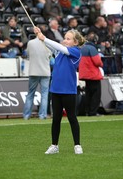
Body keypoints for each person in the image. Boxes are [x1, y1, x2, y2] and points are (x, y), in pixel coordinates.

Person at [33, 26, 85, 155]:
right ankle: (54, 145)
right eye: (65, 38)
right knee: (56, 119)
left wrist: (44, 38)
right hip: (55, 89)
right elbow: (51, 46)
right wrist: (40, 35)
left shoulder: (75, 52)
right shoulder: (60, 52)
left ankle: (77, 145)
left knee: (72, 117)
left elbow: (59, 47)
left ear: (75, 42)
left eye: (68, 39)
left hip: (69, 90)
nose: (65, 40)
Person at [23, 36, 52, 120]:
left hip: (33, 71)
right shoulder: (48, 43)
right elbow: (50, 56)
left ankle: (26, 115)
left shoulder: (30, 43)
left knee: (30, 94)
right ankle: (42, 116)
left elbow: (27, 54)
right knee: (44, 95)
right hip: (45, 72)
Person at [79, 32, 104, 116]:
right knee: (95, 95)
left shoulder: (82, 48)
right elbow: (98, 62)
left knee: (88, 94)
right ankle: (93, 112)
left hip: (85, 75)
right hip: (93, 75)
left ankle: (87, 111)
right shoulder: (92, 48)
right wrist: (101, 63)